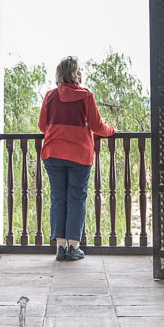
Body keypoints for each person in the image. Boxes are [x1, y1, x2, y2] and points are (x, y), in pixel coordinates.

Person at [38, 55, 115, 262]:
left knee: (58, 198)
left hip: (53, 153)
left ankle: (60, 248)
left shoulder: (50, 96)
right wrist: (111, 130)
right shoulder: (86, 96)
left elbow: (42, 126)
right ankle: (73, 248)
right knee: (76, 199)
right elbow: (97, 127)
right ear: (76, 74)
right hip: (79, 155)